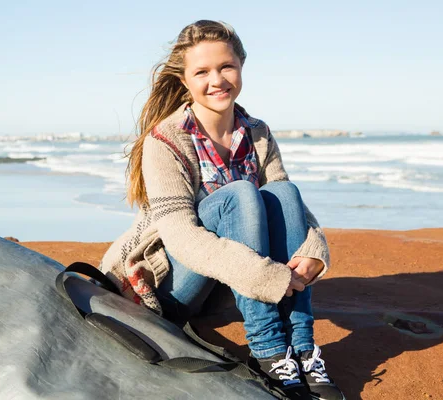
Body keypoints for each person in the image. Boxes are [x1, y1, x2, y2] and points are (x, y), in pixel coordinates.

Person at [100, 20, 344, 400]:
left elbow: (291, 207)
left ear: (241, 66)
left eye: (226, 67)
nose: (217, 80)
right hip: (173, 284)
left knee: (282, 191)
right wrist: (261, 274)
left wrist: (315, 248)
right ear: (184, 80)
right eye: (202, 72)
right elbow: (180, 237)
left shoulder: (257, 132)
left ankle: (302, 349)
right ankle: (270, 353)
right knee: (242, 195)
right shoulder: (165, 140)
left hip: (228, 286)